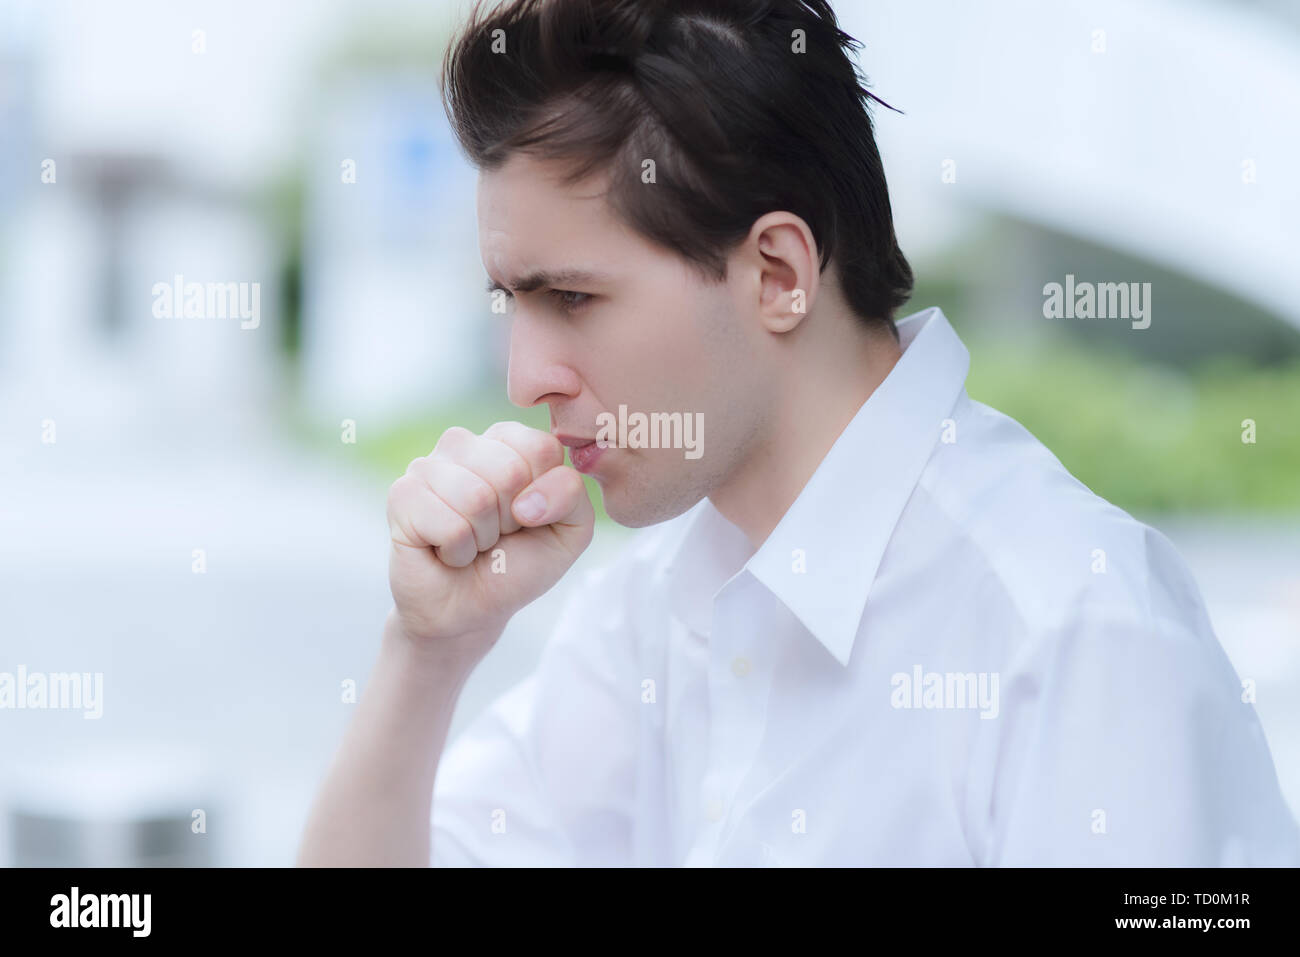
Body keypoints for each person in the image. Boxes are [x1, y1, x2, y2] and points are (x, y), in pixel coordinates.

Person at [297, 0, 1300, 867]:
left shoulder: (1074, 632)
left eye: (570, 297)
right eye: (512, 302)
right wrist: (428, 652)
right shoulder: (646, 615)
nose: (525, 379)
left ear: (778, 273)